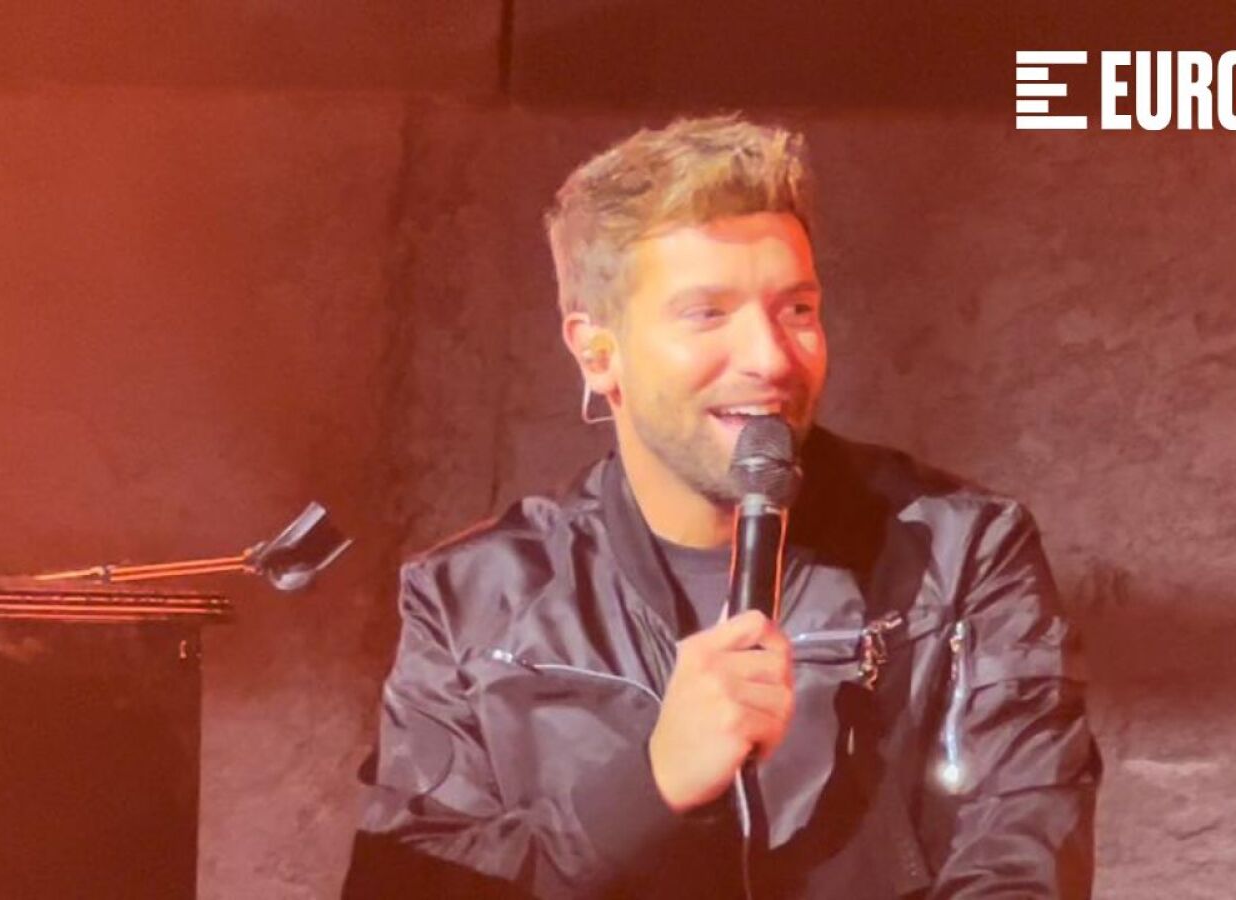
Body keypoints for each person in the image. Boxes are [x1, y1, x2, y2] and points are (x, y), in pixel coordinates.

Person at [343, 115, 1100, 899]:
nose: (771, 358)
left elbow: (1023, 862)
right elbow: (407, 886)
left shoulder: (963, 554)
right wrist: (651, 785)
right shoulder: (472, 600)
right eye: (706, 313)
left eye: (797, 310)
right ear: (598, 353)